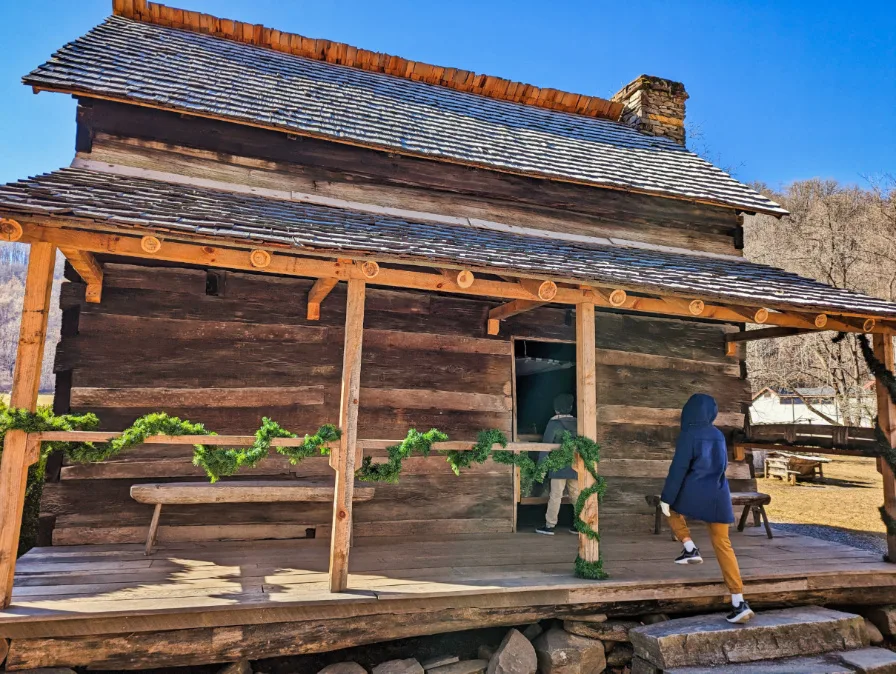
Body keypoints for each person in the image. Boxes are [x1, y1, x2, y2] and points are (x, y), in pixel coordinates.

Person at [660, 393, 754, 624]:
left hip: (694, 492)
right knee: (723, 545)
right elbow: (722, 465)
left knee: (669, 508)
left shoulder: (689, 434)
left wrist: (667, 496)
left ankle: (689, 547)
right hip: (719, 494)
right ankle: (738, 601)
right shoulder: (718, 435)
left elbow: (678, 469)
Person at [535, 393, 578, 536]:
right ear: (570, 407)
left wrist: (541, 468)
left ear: (555, 409)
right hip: (575, 464)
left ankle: (550, 525)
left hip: (558, 465)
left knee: (555, 495)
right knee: (577, 495)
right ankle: (580, 524)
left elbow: (546, 446)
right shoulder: (578, 423)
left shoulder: (553, 423)